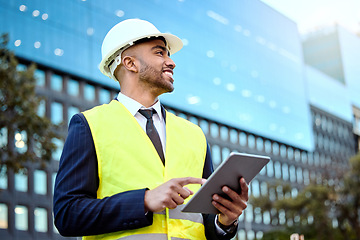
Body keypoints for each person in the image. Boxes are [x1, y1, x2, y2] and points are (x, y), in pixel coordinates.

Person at [53, 19, 249, 240]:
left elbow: (206, 224)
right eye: (160, 53)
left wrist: (225, 221)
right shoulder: (89, 125)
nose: (171, 62)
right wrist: (144, 201)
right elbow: (67, 215)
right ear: (130, 63)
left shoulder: (194, 135)